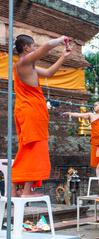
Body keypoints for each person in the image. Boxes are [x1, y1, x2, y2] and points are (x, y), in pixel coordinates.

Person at [12, 34, 72, 197]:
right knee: (34, 149)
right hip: (30, 111)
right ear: (26, 48)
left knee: (27, 148)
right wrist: (60, 39)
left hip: (30, 110)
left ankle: (16, 189)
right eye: (33, 46)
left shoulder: (28, 66)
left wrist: (63, 57)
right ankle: (26, 191)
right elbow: (45, 48)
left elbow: (49, 73)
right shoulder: (24, 62)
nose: (36, 48)